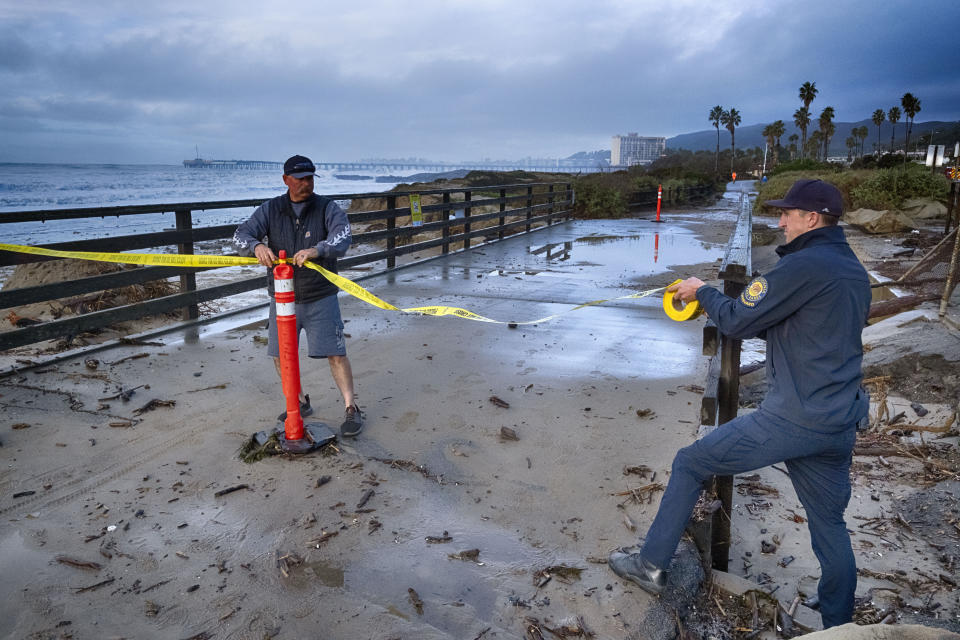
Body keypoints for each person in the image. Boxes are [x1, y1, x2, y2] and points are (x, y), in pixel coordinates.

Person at [608, 179, 871, 628]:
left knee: (691, 461)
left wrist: (701, 290)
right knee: (829, 525)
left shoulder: (803, 266)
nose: (781, 220)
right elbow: (811, 330)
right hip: (841, 418)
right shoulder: (852, 270)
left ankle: (651, 565)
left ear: (812, 218)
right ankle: (838, 624)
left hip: (794, 417)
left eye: (788, 213)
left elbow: (735, 320)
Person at [233, 155, 363, 437]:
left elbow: (343, 238)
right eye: (300, 178)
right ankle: (300, 401)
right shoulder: (270, 209)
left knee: (336, 354)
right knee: (280, 355)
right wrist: (256, 246)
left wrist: (317, 250)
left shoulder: (328, 208)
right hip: (281, 299)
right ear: (285, 180)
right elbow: (240, 235)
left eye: (310, 178)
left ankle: (352, 407)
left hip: (320, 295)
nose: (306, 183)